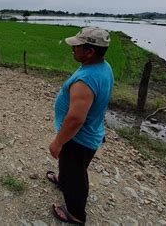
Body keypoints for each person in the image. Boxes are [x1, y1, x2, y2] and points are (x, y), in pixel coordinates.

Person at [47, 26, 114, 225]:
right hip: (84, 135)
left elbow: (76, 119)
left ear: (90, 51)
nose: (73, 49)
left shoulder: (86, 80)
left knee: (77, 174)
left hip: (79, 138)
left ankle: (75, 213)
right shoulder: (103, 66)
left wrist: (57, 142)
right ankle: (63, 181)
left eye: (77, 46)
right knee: (68, 165)